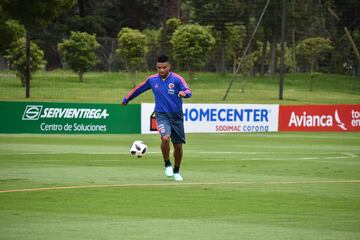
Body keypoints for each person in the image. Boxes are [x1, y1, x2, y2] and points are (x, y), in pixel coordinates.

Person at [122, 54, 192, 181]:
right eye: (159, 67)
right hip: (161, 115)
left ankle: (176, 170)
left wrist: (184, 93)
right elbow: (139, 89)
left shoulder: (177, 79)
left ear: (169, 67)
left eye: (164, 67)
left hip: (176, 117)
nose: (161, 70)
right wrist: (127, 98)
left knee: (178, 146)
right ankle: (167, 164)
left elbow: (188, 91)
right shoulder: (152, 80)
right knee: (165, 138)